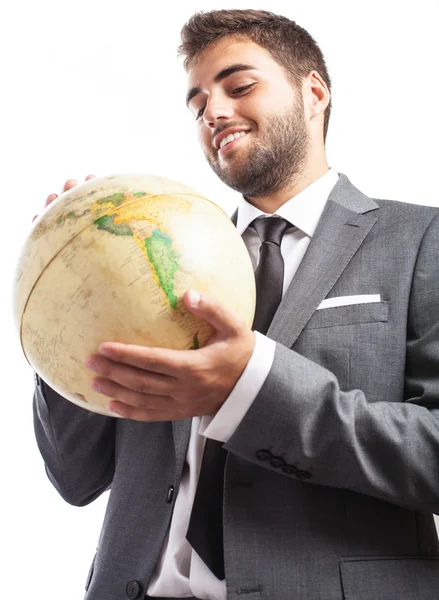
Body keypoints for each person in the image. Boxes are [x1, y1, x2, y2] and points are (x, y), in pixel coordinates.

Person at [33, 9, 439, 600]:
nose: (214, 112)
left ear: (314, 92)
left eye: (239, 86)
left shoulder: (422, 240)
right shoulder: (151, 263)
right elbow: (75, 477)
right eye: (197, 105)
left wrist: (251, 389)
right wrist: (67, 309)